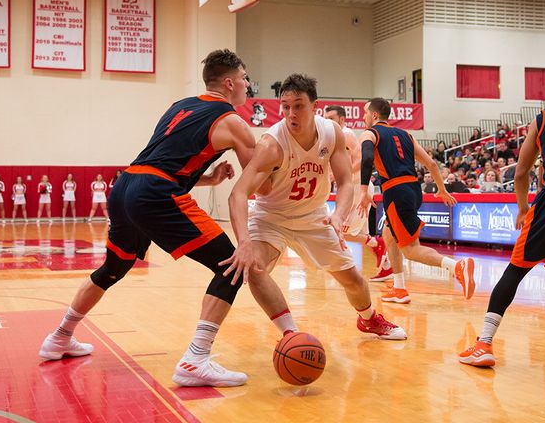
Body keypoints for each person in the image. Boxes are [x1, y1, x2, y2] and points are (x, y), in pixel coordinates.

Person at [38, 49, 266, 388]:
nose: (248, 85)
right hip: (155, 194)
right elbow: (257, 177)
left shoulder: (179, 106)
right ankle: (196, 358)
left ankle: (60, 337)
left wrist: (209, 179)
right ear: (230, 83)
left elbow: (162, 161)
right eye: (246, 78)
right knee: (230, 266)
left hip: (126, 185)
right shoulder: (232, 121)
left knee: (112, 269)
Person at [223, 74, 407, 343]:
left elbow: (345, 182)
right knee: (253, 268)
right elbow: (238, 194)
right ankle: (290, 334)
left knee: (354, 280)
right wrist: (243, 241)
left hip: (314, 216)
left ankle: (368, 320)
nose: (290, 113)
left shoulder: (332, 133)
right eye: (285, 107)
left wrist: (338, 215)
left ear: (314, 107)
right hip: (271, 217)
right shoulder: (271, 143)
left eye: (298, 106)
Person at [459, 63, 545, 367]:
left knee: (516, 270)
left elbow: (520, 173)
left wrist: (522, 208)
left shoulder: (543, 118)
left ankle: (485, 343)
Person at [357, 98, 475, 304]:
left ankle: (457, 266)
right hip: (413, 188)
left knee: (410, 249)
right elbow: (431, 163)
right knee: (388, 233)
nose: (363, 116)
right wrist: (441, 189)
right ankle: (400, 288)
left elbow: (367, 159)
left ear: (374, 115)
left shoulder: (370, 133)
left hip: (395, 190)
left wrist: (363, 190)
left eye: (365, 113)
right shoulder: (406, 135)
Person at [324, 104, 392, 281]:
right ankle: (387, 266)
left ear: (342, 119)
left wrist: (339, 175)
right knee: (354, 232)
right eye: (326, 118)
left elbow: (361, 159)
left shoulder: (346, 134)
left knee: (337, 228)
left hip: (356, 188)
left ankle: (378, 244)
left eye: (331, 118)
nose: (327, 122)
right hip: (352, 188)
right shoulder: (334, 137)